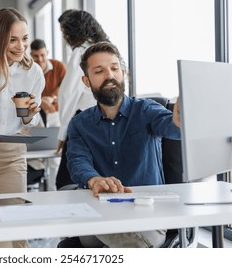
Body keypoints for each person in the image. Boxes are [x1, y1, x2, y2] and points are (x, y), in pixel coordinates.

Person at [66, 41, 181, 248]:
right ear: (86, 80)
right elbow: (77, 161)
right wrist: (93, 179)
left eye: (114, 68)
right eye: (99, 71)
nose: (109, 75)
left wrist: (181, 122)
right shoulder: (79, 124)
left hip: (147, 213)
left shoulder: (147, 110)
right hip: (101, 210)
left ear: (124, 73)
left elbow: (170, 126)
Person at [0, 7, 44, 196]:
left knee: (14, 212)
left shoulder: (33, 72)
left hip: (13, 154)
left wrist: (30, 116)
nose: (21, 46)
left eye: (25, 38)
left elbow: (31, 120)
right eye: (12, 39)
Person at [55, 9, 111, 189]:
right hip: (108, 120)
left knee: (66, 181)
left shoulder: (81, 52)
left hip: (83, 122)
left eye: (65, 30)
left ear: (74, 29)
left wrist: (63, 133)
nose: (64, 36)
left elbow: (68, 94)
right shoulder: (107, 49)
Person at [30, 39, 66, 127]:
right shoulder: (28, 71)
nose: (40, 59)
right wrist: (40, 101)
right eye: (36, 56)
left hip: (56, 111)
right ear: (31, 55)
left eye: (42, 55)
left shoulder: (58, 66)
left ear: (47, 52)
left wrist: (52, 98)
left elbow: (65, 86)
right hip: (35, 113)